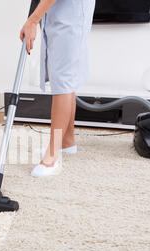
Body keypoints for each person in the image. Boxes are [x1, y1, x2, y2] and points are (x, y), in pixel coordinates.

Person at [20, 0, 95, 177]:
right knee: (64, 79)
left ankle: (52, 155)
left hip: (70, 14)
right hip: (59, 13)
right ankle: (67, 142)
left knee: (63, 82)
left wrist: (32, 20)